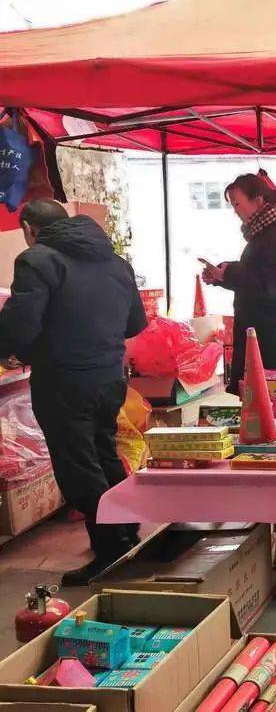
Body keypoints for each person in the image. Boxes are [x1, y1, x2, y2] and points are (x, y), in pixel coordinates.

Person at [0, 200, 147, 585]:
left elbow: (21, 322)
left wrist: (12, 351)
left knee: (78, 466)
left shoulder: (38, 261)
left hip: (64, 380)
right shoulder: (116, 263)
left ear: (30, 228)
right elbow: (136, 322)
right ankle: (127, 532)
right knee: (105, 454)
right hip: (110, 377)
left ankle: (109, 549)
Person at [201, 170, 276, 394]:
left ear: (258, 200)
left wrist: (230, 274)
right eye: (232, 205)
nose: (235, 211)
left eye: (238, 204)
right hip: (264, 340)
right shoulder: (265, 234)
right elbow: (257, 273)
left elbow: (275, 283)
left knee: (273, 414)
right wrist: (222, 274)